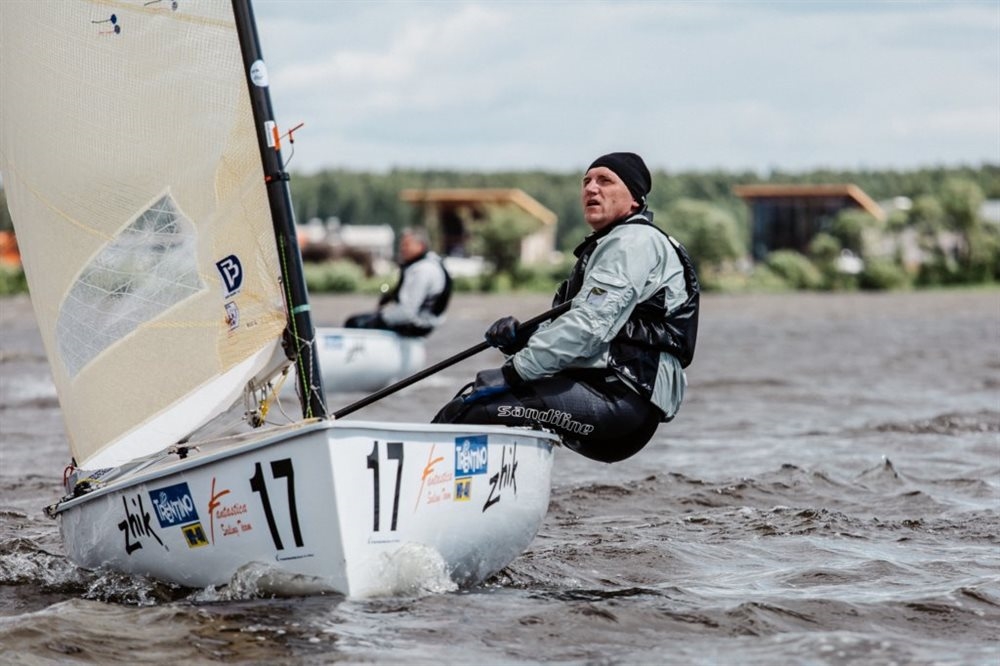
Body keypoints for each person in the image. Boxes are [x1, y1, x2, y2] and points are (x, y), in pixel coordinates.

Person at [432, 152, 699, 463]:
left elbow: (588, 326)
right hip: (606, 393)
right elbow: (580, 328)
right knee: (488, 405)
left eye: (605, 181)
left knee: (471, 409)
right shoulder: (612, 243)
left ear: (635, 200)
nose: (591, 188)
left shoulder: (632, 242)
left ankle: (424, 481)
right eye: (586, 181)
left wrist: (515, 372)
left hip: (620, 400)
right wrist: (521, 341)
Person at [344, 227, 452, 337]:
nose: (402, 248)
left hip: (418, 324)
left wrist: (382, 316)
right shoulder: (430, 261)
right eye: (402, 245)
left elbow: (407, 312)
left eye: (406, 245)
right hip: (423, 320)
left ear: (420, 246)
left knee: (354, 323)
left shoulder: (422, 270)